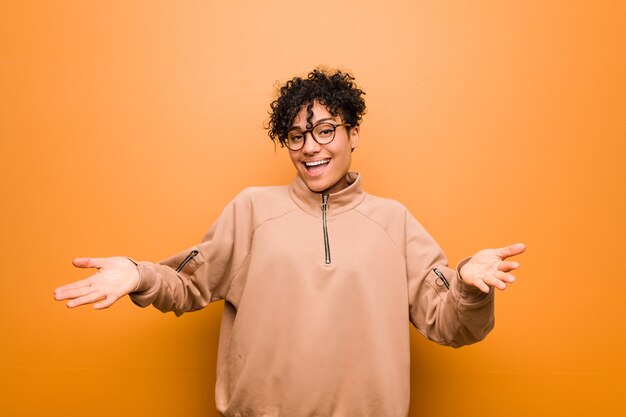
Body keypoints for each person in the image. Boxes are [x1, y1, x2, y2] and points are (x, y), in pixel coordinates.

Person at [54, 68, 525, 417]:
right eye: (297, 136)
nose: (311, 147)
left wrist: (467, 284)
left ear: (353, 133)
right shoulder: (253, 210)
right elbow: (189, 283)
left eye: (325, 131)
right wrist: (139, 274)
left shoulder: (394, 221)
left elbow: (451, 325)